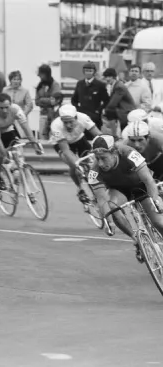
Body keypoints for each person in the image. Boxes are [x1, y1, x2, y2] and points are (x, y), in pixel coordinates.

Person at [88, 134, 163, 262]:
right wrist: (109, 222)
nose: (100, 163)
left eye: (104, 158)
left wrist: (155, 200)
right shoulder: (94, 172)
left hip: (141, 186)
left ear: (114, 153)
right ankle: (137, 240)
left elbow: (148, 180)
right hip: (119, 191)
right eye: (97, 158)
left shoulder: (128, 153)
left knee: (158, 222)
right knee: (112, 208)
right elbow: (102, 200)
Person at [0, 93, 43, 190]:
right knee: (0, 155)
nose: (4, 110)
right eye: (1, 108)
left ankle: (15, 170)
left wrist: (34, 144)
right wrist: (4, 154)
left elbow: (25, 127)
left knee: (18, 150)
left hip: (7, 129)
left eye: (7, 107)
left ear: (11, 105)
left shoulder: (16, 109)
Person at [49, 104, 102, 203]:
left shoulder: (84, 118)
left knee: (90, 163)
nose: (68, 125)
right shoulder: (55, 126)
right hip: (63, 143)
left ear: (76, 117)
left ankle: (96, 189)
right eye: (65, 122)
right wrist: (77, 164)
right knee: (74, 166)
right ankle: (80, 188)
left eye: (71, 122)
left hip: (79, 139)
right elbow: (66, 150)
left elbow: (99, 135)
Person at [71, 62, 109, 129]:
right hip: (82, 116)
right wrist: (78, 109)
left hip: (95, 117)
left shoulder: (100, 85)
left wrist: (98, 110)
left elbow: (106, 100)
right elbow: (74, 100)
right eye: (86, 71)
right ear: (84, 72)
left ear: (94, 72)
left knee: (95, 137)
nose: (88, 73)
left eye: (90, 71)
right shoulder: (80, 84)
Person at [103, 67, 136, 133]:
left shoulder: (119, 87)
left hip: (126, 113)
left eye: (109, 76)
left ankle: (114, 135)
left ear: (114, 77)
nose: (107, 79)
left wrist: (104, 111)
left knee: (109, 112)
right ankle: (114, 134)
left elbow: (112, 104)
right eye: (106, 77)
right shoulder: (114, 85)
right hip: (123, 112)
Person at [35, 64, 62, 140]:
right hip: (42, 114)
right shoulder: (39, 86)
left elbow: (55, 100)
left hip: (53, 116)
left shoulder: (55, 85)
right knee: (42, 136)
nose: (39, 76)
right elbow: (37, 101)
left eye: (41, 74)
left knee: (54, 137)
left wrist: (42, 100)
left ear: (46, 74)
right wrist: (48, 100)